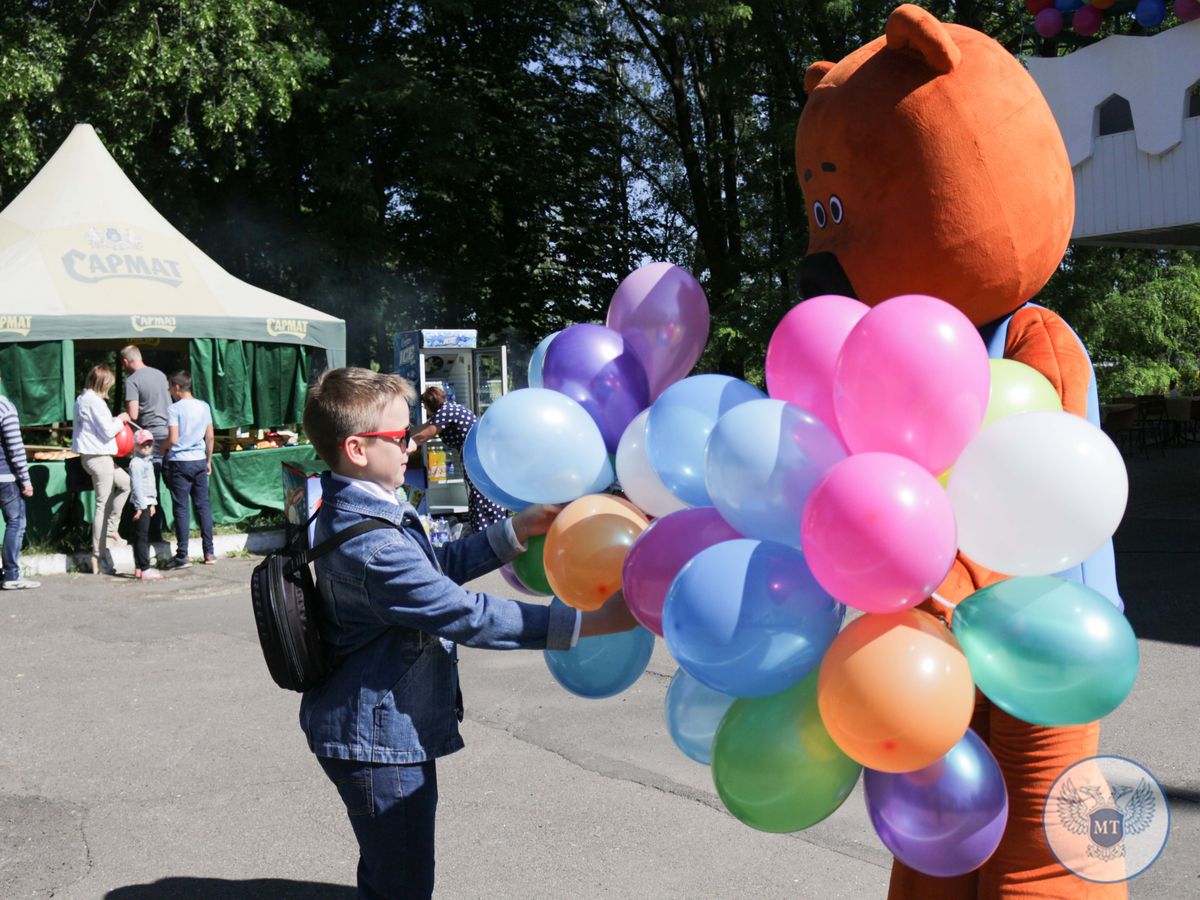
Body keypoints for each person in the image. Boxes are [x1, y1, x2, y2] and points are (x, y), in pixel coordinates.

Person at [299, 367, 635, 899]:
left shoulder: (363, 507)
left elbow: (432, 569)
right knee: (402, 884)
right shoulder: (373, 546)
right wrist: (593, 622)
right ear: (358, 448)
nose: (411, 444)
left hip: (377, 726)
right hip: (377, 740)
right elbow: (468, 615)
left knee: (391, 872)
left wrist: (513, 532)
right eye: (400, 436)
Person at [412, 385, 507, 533]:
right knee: (481, 495)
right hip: (477, 456)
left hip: (476, 459)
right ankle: (492, 532)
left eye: (425, 407)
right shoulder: (450, 409)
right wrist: (406, 430)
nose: (426, 412)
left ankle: (487, 534)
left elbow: (423, 435)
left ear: (430, 404)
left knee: (481, 496)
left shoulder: (446, 412)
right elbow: (423, 428)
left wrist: (404, 443)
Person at [72, 365, 132, 575]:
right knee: (102, 505)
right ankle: (98, 553)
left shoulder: (81, 399)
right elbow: (107, 432)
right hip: (99, 457)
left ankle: (111, 529)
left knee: (125, 483)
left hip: (93, 456)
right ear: (104, 384)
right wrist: (121, 420)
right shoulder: (95, 402)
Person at [160, 370, 214, 569]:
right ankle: (209, 552)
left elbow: (173, 439)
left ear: (176, 387)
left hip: (179, 462)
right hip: (199, 460)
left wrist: (162, 447)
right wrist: (208, 460)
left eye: (170, 388)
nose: (170, 392)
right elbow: (210, 437)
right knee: (203, 506)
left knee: (182, 508)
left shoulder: (174, 409)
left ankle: (183, 555)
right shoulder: (204, 406)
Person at [120, 345, 170, 540]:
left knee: (149, 485)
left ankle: (150, 533)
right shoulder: (160, 375)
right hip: (168, 434)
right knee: (167, 484)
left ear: (125, 362)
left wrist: (122, 417)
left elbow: (133, 414)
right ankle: (167, 529)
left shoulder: (132, 380)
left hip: (149, 437)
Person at [0, 383, 39, 589]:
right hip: (5, 478)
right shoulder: (5, 407)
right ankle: (12, 575)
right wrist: (25, 479)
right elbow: (15, 448)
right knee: (15, 523)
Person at [129, 430, 161, 580]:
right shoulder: (136, 463)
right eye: (143, 444)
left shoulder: (148, 461)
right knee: (141, 537)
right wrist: (141, 508)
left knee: (141, 536)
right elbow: (136, 487)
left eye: (149, 444)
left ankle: (139, 567)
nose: (147, 447)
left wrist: (152, 503)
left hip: (147, 503)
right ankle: (145, 568)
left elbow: (151, 485)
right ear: (135, 445)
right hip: (140, 505)